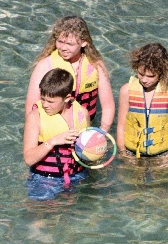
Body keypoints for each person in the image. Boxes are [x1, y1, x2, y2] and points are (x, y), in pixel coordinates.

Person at [24, 16, 114, 133]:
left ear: (83, 43)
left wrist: (102, 132)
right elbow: (31, 105)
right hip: (52, 129)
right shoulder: (46, 65)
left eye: (70, 44)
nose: (63, 48)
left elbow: (108, 106)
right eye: (60, 42)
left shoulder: (96, 65)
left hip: (84, 125)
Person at [22, 68, 91, 201]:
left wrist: (95, 149)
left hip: (77, 176)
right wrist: (52, 141)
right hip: (44, 180)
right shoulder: (35, 117)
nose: (45, 105)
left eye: (51, 101)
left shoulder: (82, 113)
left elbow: (86, 153)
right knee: (40, 218)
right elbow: (28, 159)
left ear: (67, 98)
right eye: (43, 99)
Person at [115, 43, 168, 159]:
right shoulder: (126, 91)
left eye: (150, 76)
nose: (144, 80)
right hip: (132, 153)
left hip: (164, 155)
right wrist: (123, 153)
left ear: (162, 73)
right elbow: (121, 127)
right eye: (141, 74)